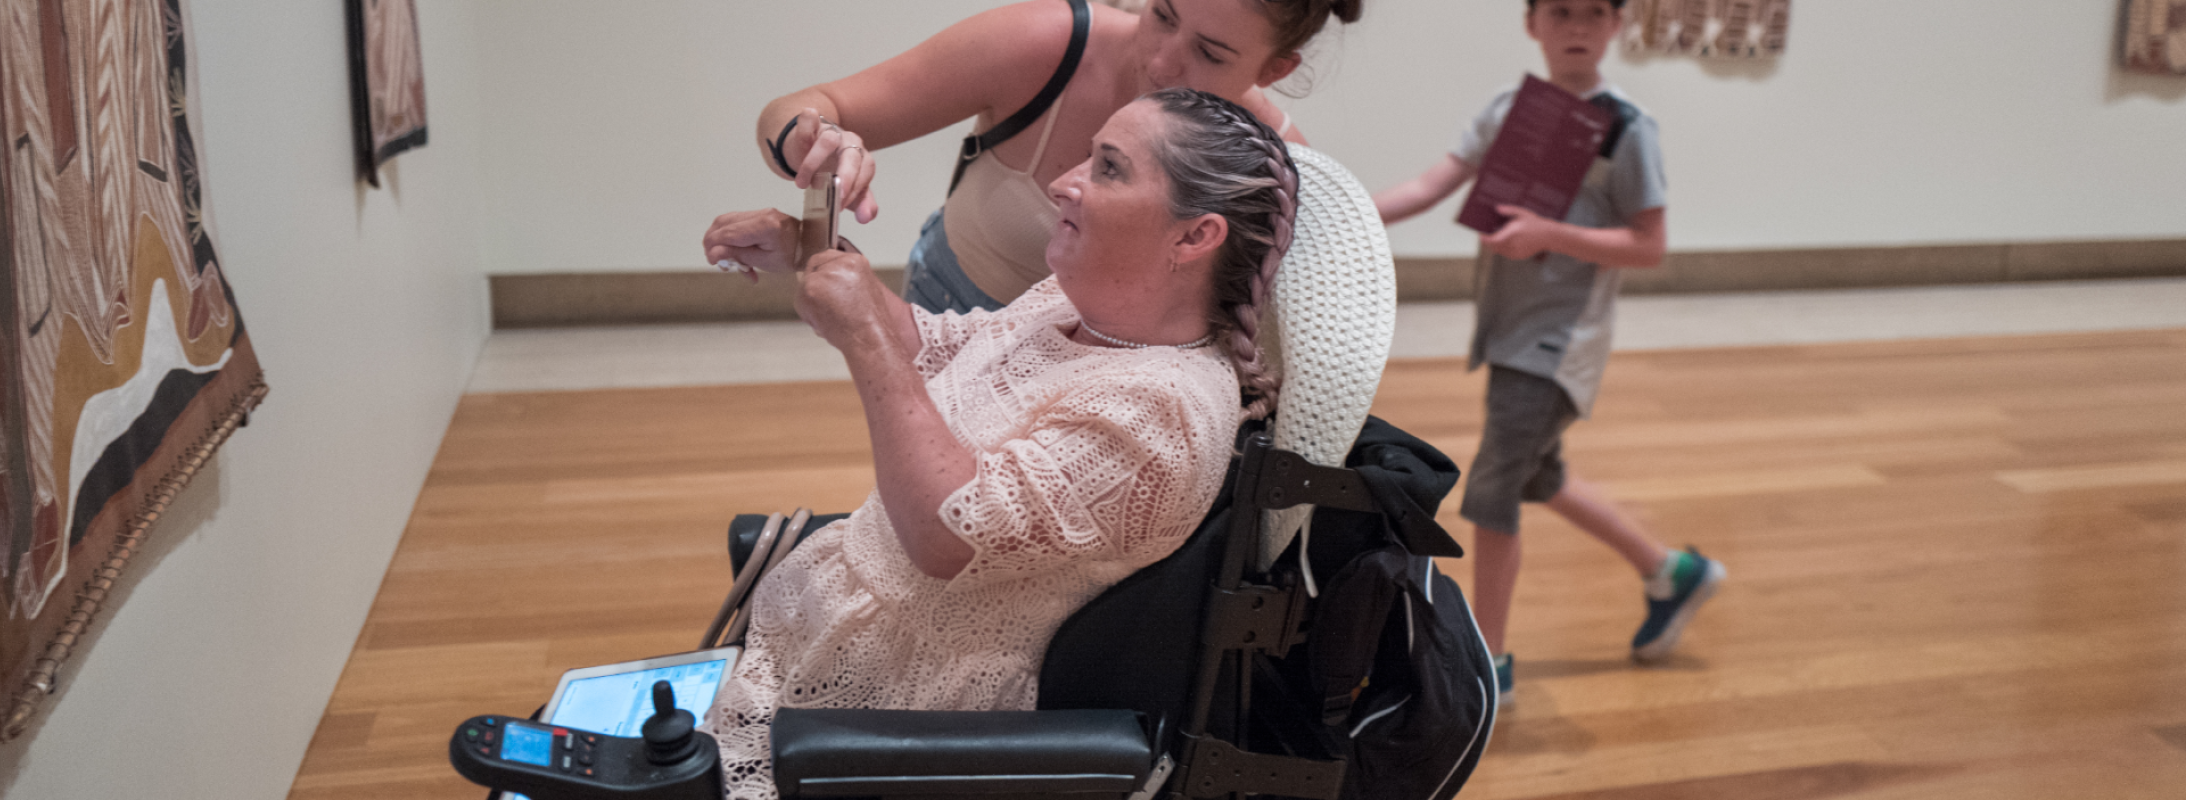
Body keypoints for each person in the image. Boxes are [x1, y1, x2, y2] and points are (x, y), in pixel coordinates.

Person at [699, 88, 1299, 800]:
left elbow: (948, 533)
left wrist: (859, 331)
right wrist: (816, 252)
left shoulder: (1160, 412)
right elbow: (939, 350)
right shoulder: (1075, 306)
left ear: (1194, 236)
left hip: (902, 725)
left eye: (1107, 169)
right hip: (811, 652)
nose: (1062, 180)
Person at [1368, 0, 1725, 688]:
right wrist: (1335, 210)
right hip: (1510, 332)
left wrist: (1549, 235)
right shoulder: (1509, 111)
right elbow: (1430, 183)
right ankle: (1672, 573)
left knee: (1494, 490)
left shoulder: (1627, 129)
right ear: (1532, 24)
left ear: (1618, 25)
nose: (1578, 27)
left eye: (1595, 13)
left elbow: (1649, 245)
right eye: (1561, 12)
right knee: (1540, 476)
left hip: (1558, 346)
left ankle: (1486, 661)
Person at [748, 0, 1357, 314]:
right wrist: (816, 141)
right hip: (946, 321)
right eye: (1163, 14)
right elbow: (804, 105)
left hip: (1104, 383)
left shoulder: (1275, 163)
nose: (1164, 61)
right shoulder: (1047, 44)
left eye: (1211, 53)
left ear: (1275, 69)